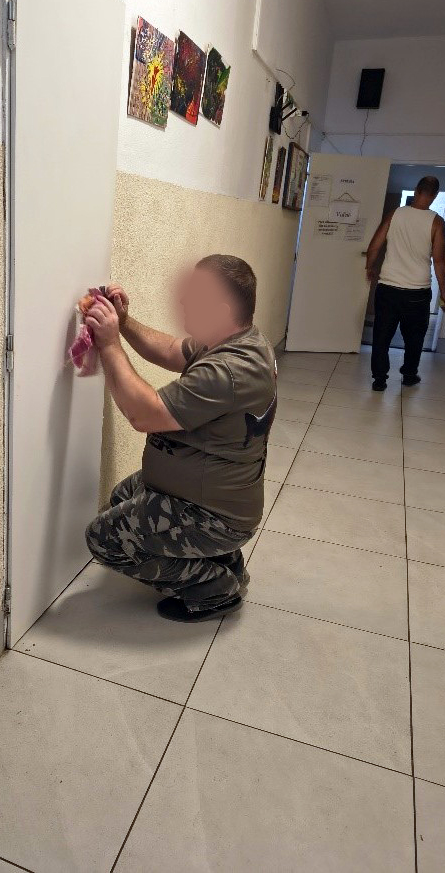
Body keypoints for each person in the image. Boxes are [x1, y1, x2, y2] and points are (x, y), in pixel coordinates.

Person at [83, 254, 277, 623]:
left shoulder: (230, 370)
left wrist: (109, 344)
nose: (183, 299)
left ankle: (214, 590)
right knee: (124, 496)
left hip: (214, 513)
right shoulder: (235, 339)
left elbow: (144, 415)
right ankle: (225, 562)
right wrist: (124, 322)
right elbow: (172, 350)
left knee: (103, 539)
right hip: (211, 493)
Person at [365, 175, 445, 391]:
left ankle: (379, 380)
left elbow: (374, 245)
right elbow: (439, 261)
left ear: (416, 190)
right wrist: (444, 292)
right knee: (414, 338)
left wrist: (370, 267)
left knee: (382, 336)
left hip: (388, 288)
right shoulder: (437, 222)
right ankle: (409, 375)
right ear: (435, 195)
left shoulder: (395, 214)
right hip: (417, 293)